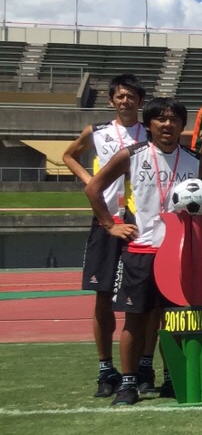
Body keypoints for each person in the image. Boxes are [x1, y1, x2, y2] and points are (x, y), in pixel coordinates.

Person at [84, 96, 200, 407]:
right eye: (161, 118)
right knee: (135, 319)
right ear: (149, 123)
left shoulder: (194, 160)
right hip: (141, 249)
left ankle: (173, 377)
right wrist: (109, 225)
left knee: (175, 320)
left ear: (182, 125)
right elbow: (93, 188)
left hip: (178, 252)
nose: (167, 124)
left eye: (174, 119)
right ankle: (129, 383)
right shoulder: (131, 154)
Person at [62, 73, 146, 397]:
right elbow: (69, 155)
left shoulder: (149, 133)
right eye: (120, 96)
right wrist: (90, 180)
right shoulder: (97, 131)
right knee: (102, 296)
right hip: (105, 219)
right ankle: (105, 367)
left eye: (131, 96)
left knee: (142, 299)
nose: (126, 101)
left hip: (138, 222)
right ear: (112, 101)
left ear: (140, 101)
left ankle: (141, 366)